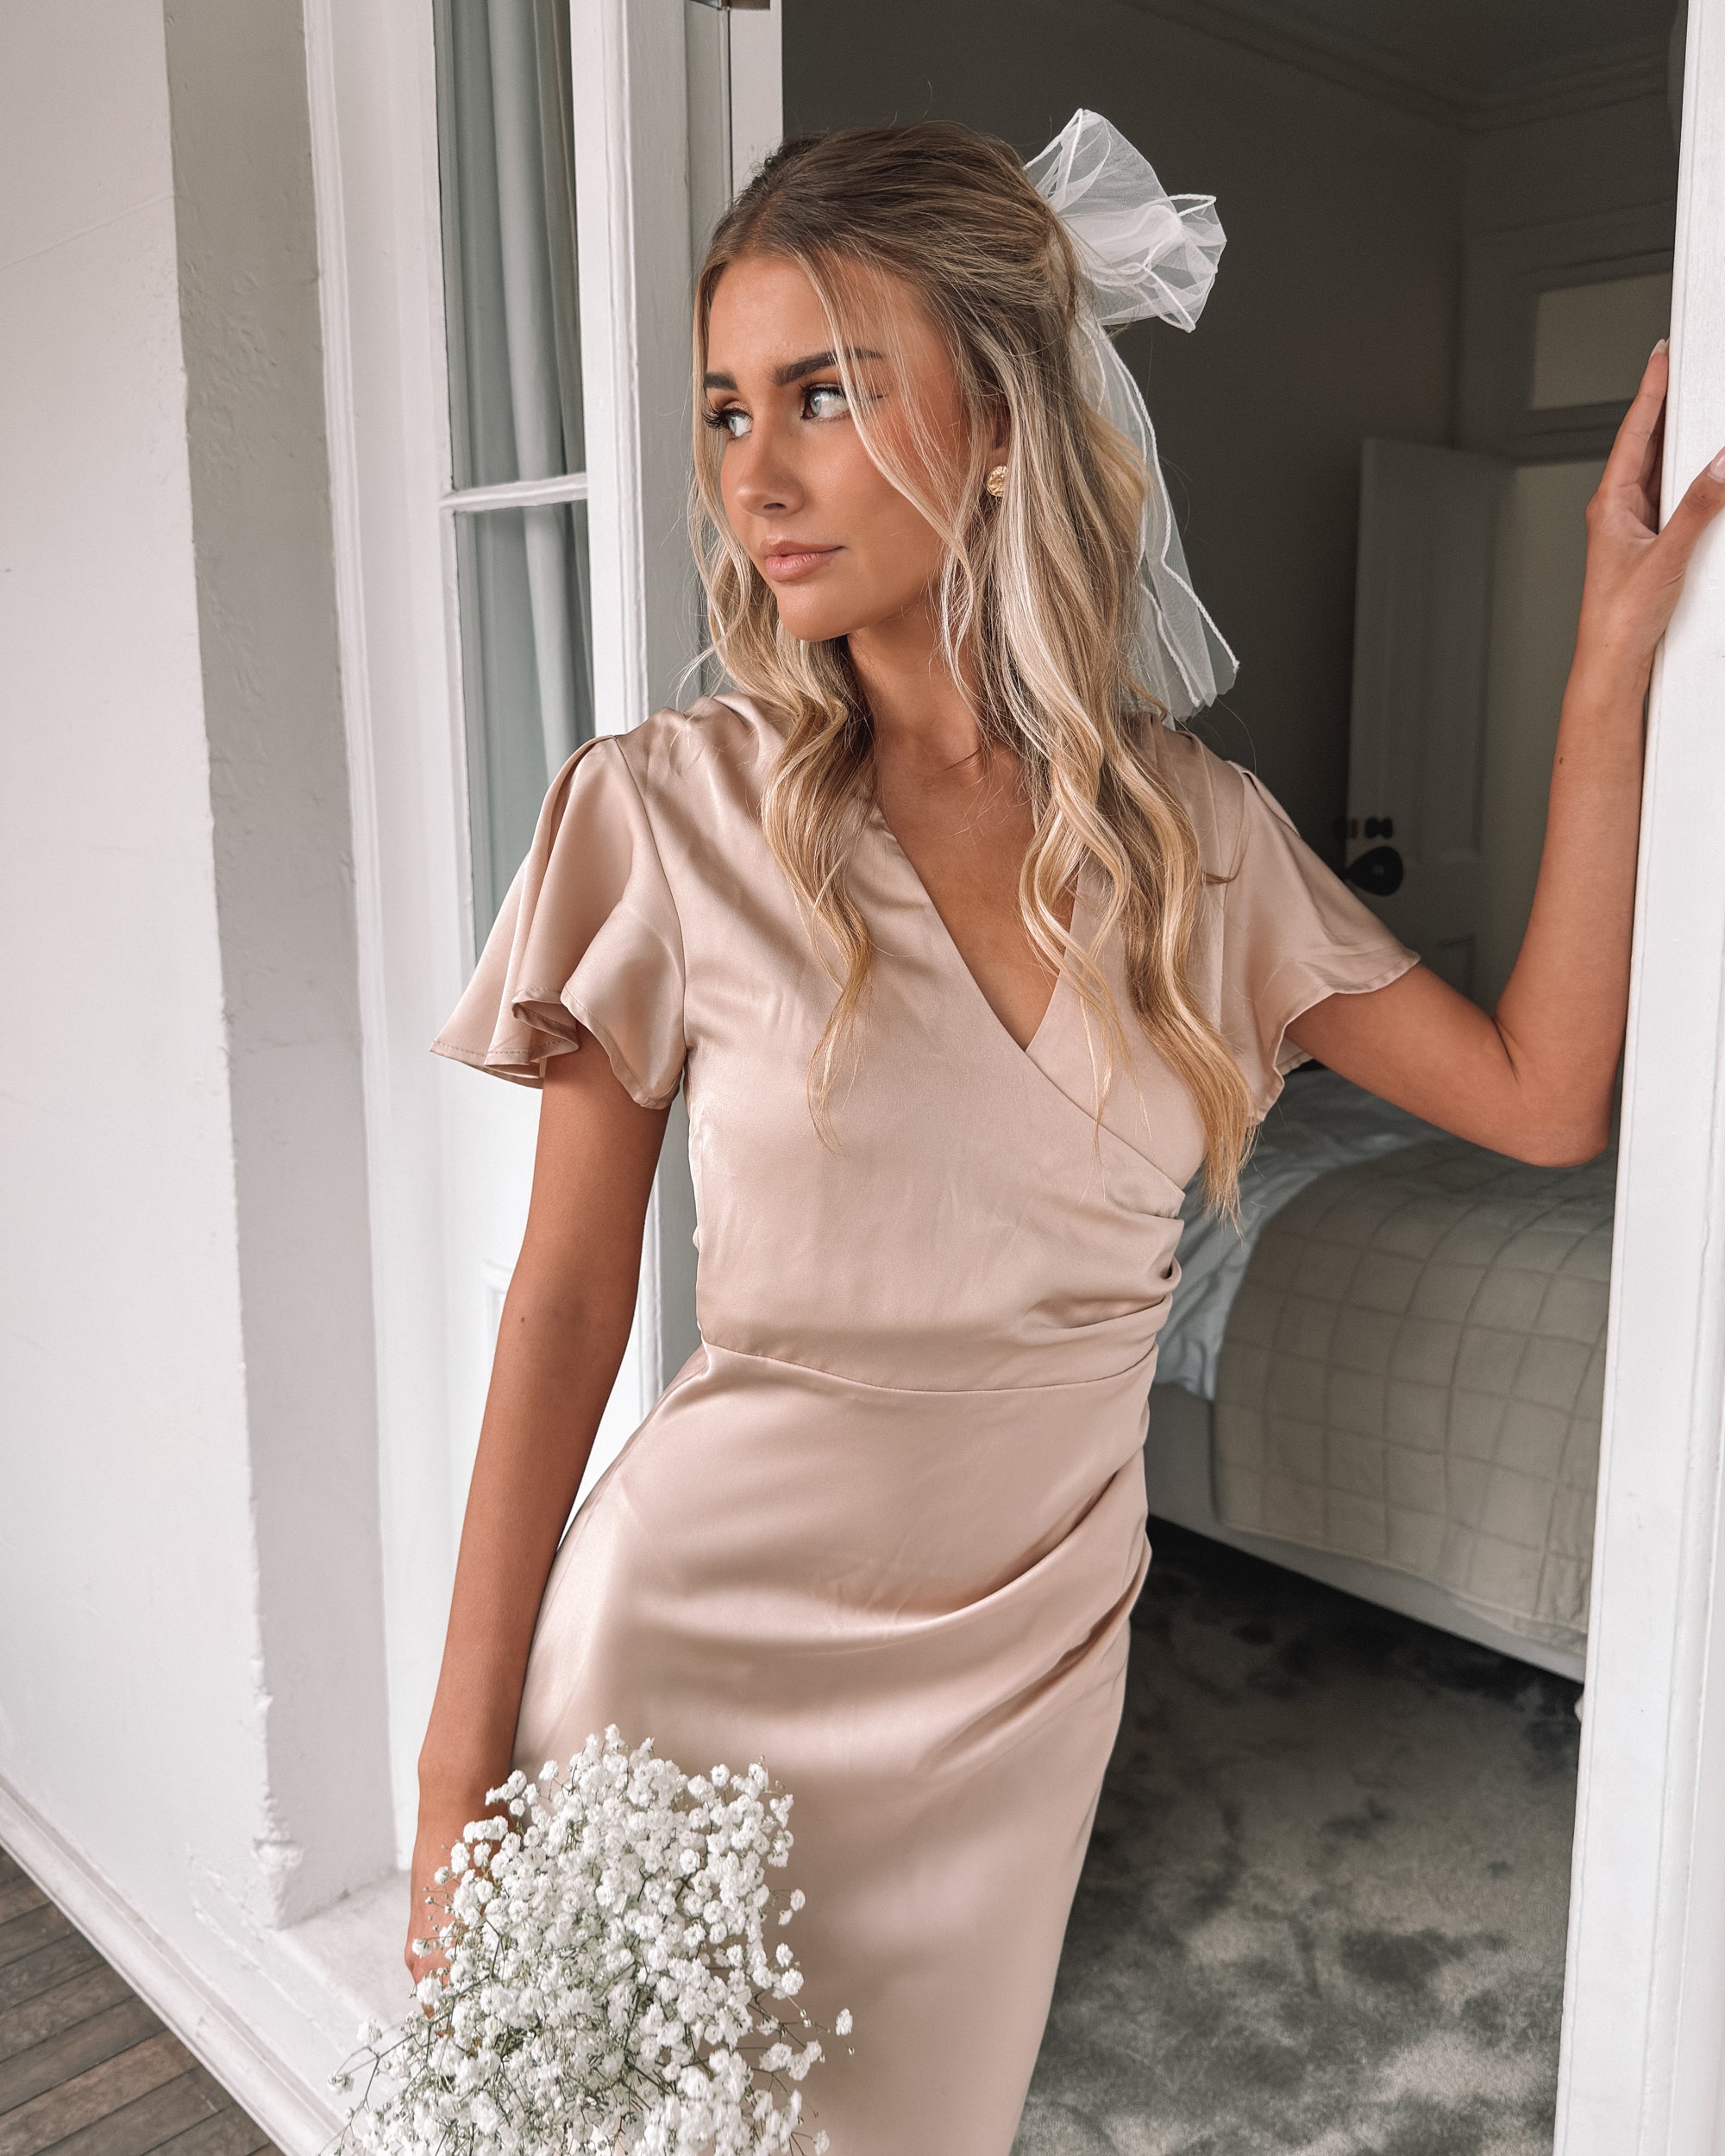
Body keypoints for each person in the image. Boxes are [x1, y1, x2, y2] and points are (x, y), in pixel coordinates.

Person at [410, 110, 1723, 2152]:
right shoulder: (665, 813)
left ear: (1004, 419)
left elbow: (1548, 1098)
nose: (755, 469)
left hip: (1017, 1690)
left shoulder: (1198, 843)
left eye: (827, 394)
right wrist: (452, 1774)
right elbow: (567, 1300)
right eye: (727, 407)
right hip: (694, 1636)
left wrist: (1608, 674)